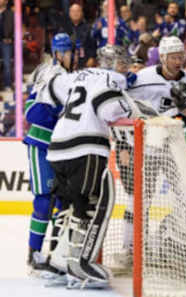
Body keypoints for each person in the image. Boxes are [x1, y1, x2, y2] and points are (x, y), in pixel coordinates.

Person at [44, 44, 135, 288]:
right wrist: (131, 109)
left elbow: (53, 88)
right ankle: (81, 265)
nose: (126, 69)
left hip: (57, 147)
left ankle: (58, 261)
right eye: (124, 63)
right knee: (94, 205)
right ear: (115, 63)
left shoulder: (81, 74)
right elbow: (107, 108)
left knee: (70, 206)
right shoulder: (113, 79)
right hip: (86, 147)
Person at [24, 33, 73, 275]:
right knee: (44, 200)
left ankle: (56, 253)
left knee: (62, 201)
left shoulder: (65, 75)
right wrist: (54, 117)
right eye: (67, 52)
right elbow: (30, 110)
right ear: (58, 53)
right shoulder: (49, 73)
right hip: (41, 143)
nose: (70, 56)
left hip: (62, 146)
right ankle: (34, 253)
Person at [128, 36, 186, 114]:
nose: (178, 62)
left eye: (180, 57)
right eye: (173, 58)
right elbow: (129, 102)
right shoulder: (143, 77)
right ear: (162, 57)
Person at [0, 0, 13, 91]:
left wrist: (10, 37)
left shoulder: (10, 14)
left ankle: (7, 85)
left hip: (6, 41)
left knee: (7, 64)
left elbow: (15, 27)